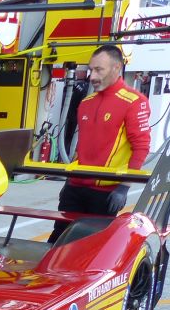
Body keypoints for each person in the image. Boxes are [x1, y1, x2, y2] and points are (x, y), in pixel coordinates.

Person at [58, 44, 151, 218]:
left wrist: (124, 187)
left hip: (105, 192)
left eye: (99, 70)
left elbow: (141, 147)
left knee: (96, 243)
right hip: (75, 186)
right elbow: (82, 148)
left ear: (117, 68)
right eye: (91, 70)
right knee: (60, 240)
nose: (92, 76)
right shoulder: (86, 103)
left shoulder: (134, 101)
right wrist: (68, 182)